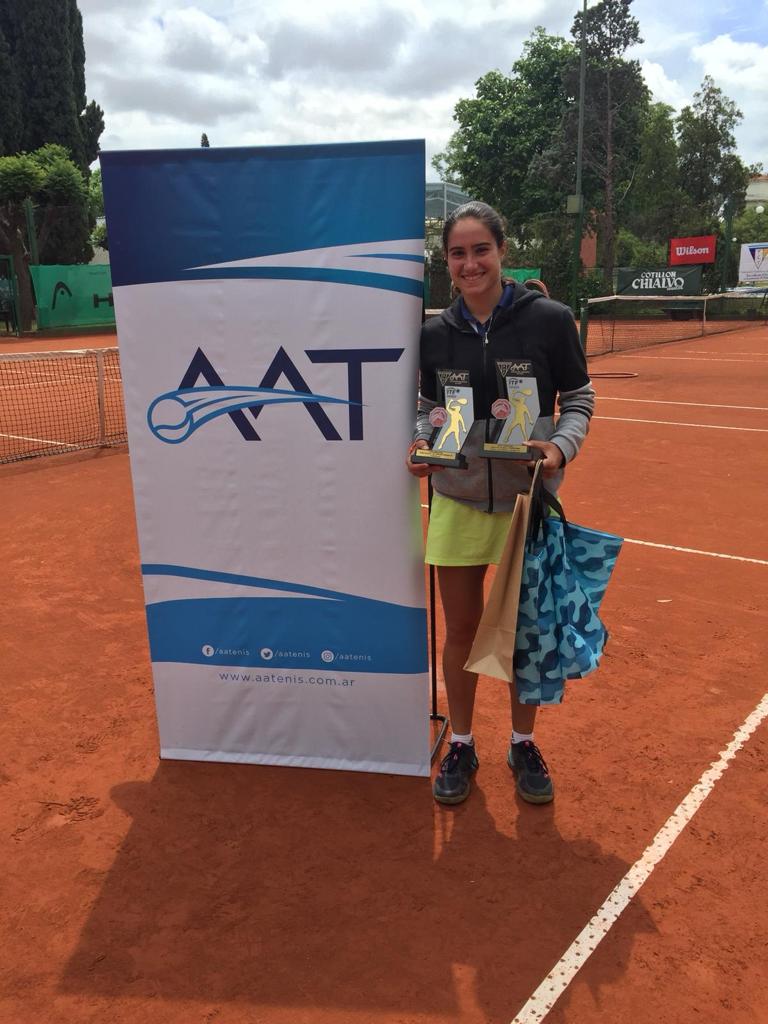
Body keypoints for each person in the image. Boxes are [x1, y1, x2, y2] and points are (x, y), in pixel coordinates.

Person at [406, 201, 595, 806]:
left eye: (480, 250)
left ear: (502, 251)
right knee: (462, 629)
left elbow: (581, 397)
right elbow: (424, 408)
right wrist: (421, 443)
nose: (470, 263)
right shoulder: (433, 333)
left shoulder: (549, 319)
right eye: (458, 253)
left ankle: (521, 740)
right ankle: (461, 741)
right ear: (447, 263)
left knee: (523, 633)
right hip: (457, 500)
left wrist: (560, 451)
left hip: (524, 505)